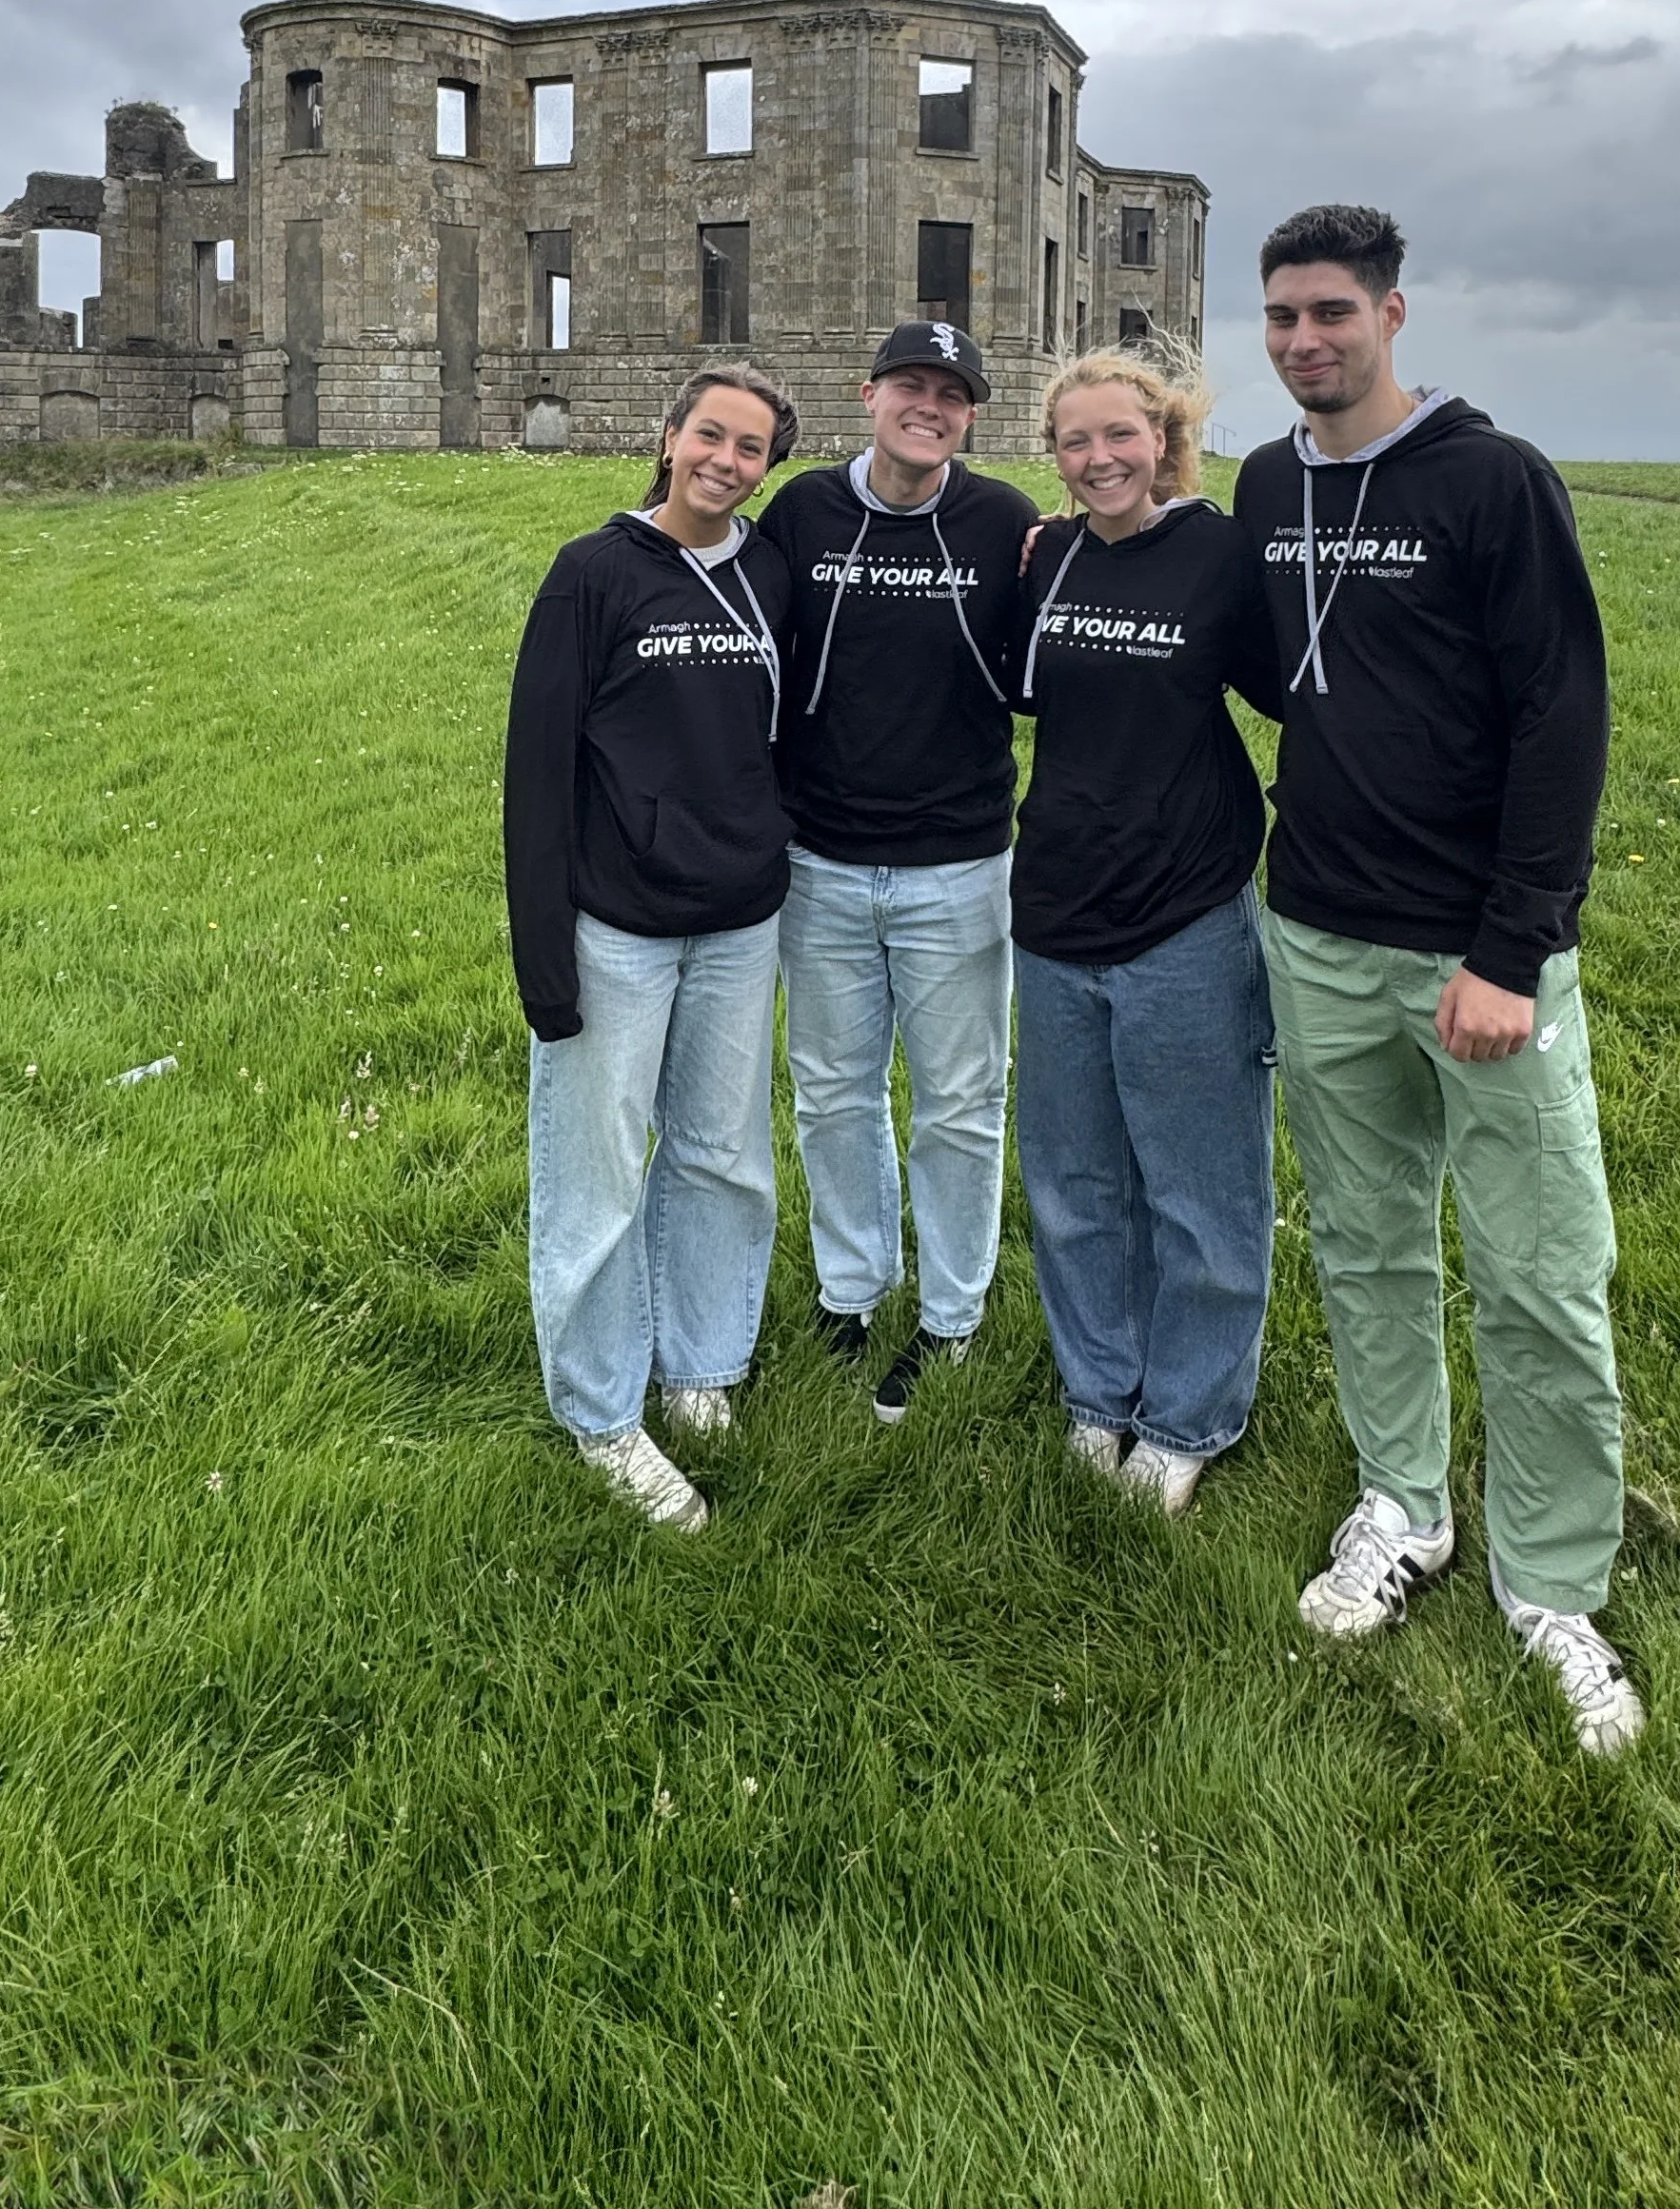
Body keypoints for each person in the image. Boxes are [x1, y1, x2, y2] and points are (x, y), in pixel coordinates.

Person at [1233, 206, 1643, 1753]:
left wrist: (1508, 945)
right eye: (1278, 315)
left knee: (1538, 1271)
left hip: (1476, 952)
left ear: (1392, 313)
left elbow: (1559, 714)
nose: (1301, 341)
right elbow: (1271, 658)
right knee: (1367, 1241)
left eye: (1328, 312)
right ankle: (1400, 1505)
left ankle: (1551, 1582)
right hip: (1318, 929)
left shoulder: (1490, 480)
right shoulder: (1269, 484)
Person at [504, 363, 800, 1531]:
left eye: (752, 449)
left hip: (740, 919)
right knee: (597, 1175)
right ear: (669, 436)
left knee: (724, 1158)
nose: (726, 463)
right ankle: (601, 1413)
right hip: (617, 925)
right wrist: (546, 961)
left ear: (772, 464)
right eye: (710, 437)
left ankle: (701, 1365)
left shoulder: (771, 571)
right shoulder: (595, 574)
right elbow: (537, 775)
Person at [1011, 351, 1284, 1513]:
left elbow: (1298, 690)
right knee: (1075, 1181)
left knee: (1199, 1183)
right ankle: (1097, 1396)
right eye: (1076, 442)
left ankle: (1187, 1417)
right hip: (1056, 906)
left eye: (1120, 436)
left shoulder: (1221, 555)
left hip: (1186, 909)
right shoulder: (1049, 557)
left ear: (1162, 440)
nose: (1099, 459)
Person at [764, 324, 1038, 1420]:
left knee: (961, 1105)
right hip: (820, 858)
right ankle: (852, 1286)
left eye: (952, 394)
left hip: (960, 866)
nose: (929, 406)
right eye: (911, 387)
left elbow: (1040, 654)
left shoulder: (1003, 520)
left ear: (971, 416)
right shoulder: (804, 513)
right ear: (867, 395)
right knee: (834, 1094)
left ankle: (953, 1319)